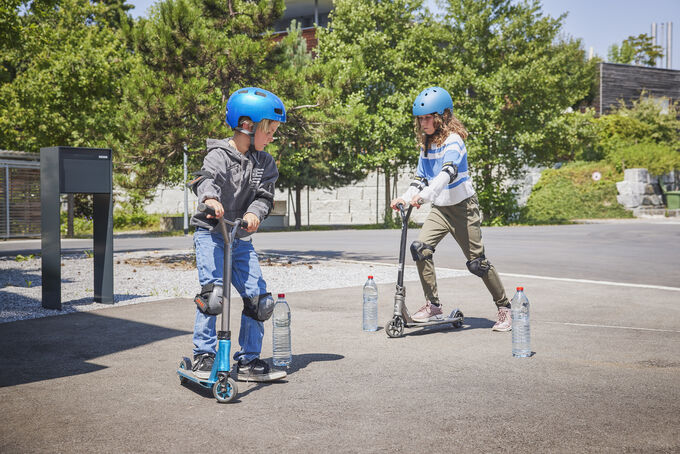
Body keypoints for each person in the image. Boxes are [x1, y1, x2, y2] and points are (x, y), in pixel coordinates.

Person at [390, 86, 512, 332]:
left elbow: (446, 173)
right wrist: (405, 197)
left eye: (427, 117)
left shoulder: (454, 142)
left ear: (443, 117)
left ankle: (505, 307)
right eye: (420, 119)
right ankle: (433, 305)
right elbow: (420, 178)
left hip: (463, 209)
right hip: (441, 209)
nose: (423, 123)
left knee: (477, 263)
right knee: (420, 248)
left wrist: (424, 197)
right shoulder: (426, 145)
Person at [188, 87, 287, 381]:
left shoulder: (265, 163)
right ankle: (203, 355)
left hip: (240, 238)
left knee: (260, 300)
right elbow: (205, 180)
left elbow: (264, 196)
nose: (272, 137)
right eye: (269, 130)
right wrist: (210, 198)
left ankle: (248, 360)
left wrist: (254, 212)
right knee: (214, 296)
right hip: (211, 232)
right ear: (247, 125)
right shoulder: (218, 155)